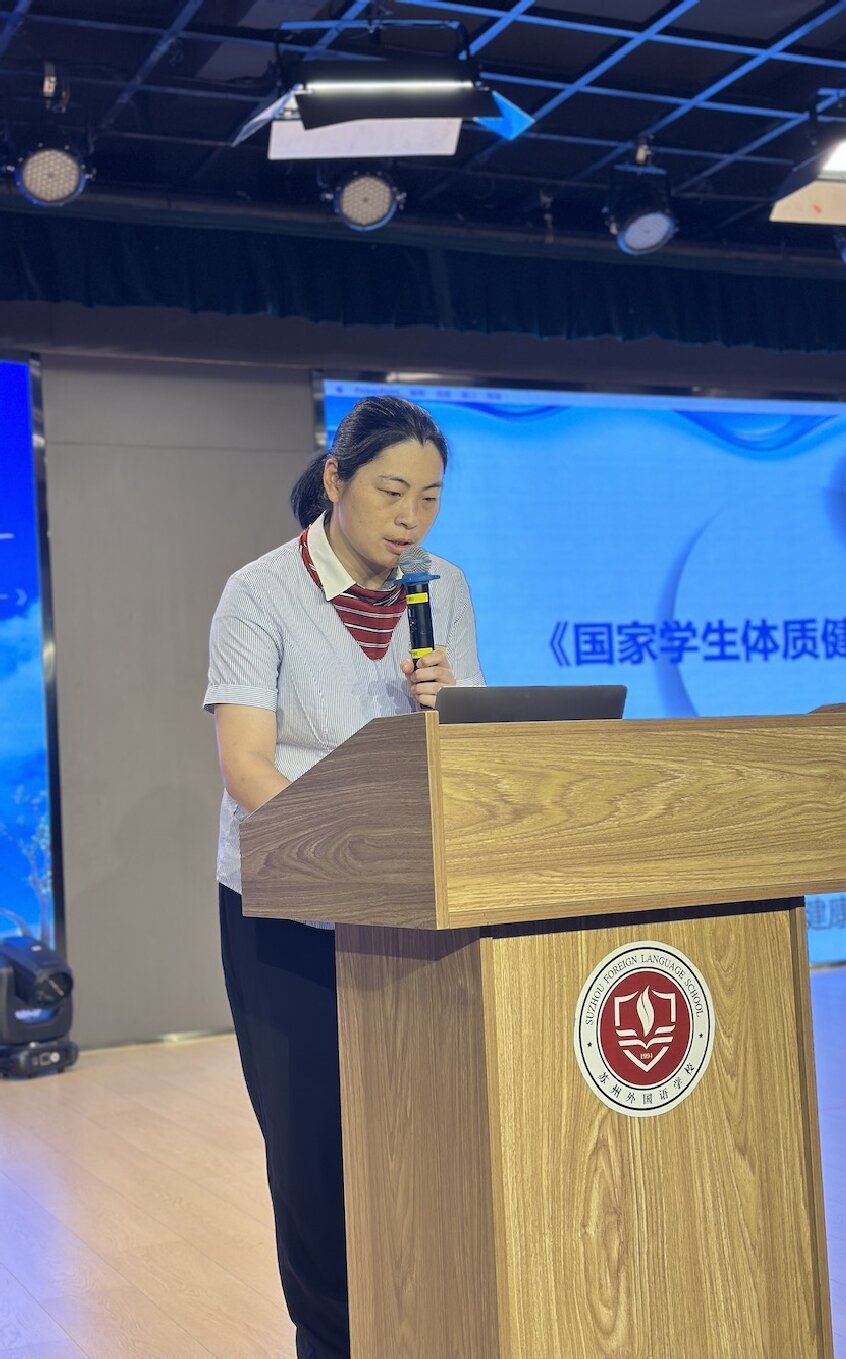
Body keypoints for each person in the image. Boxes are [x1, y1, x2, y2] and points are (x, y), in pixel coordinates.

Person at [203, 395, 484, 1359]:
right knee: (312, 1156)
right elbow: (247, 765)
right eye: (391, 491)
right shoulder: (259, 592)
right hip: (284, 907)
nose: (411, 518)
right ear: (336, 477)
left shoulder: (441, 586)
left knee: (420, 1137)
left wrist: (450, 706)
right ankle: (330, 1344)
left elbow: (472, 747)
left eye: (430, 498)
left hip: (409, 906)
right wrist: (345, 854)